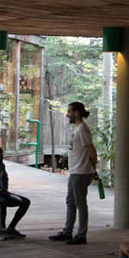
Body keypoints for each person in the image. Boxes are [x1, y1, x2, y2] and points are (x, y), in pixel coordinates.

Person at [50, 102, 97, 245]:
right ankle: (67, 231)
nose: (67, 114)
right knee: (70, 201)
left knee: (80, 203)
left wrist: (94, 169)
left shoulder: (83, 129)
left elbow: (91, 150)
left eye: (69, 111)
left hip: (82, 172)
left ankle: (81, 235)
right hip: (75, 171)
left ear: (76, 112)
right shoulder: (76, 128)